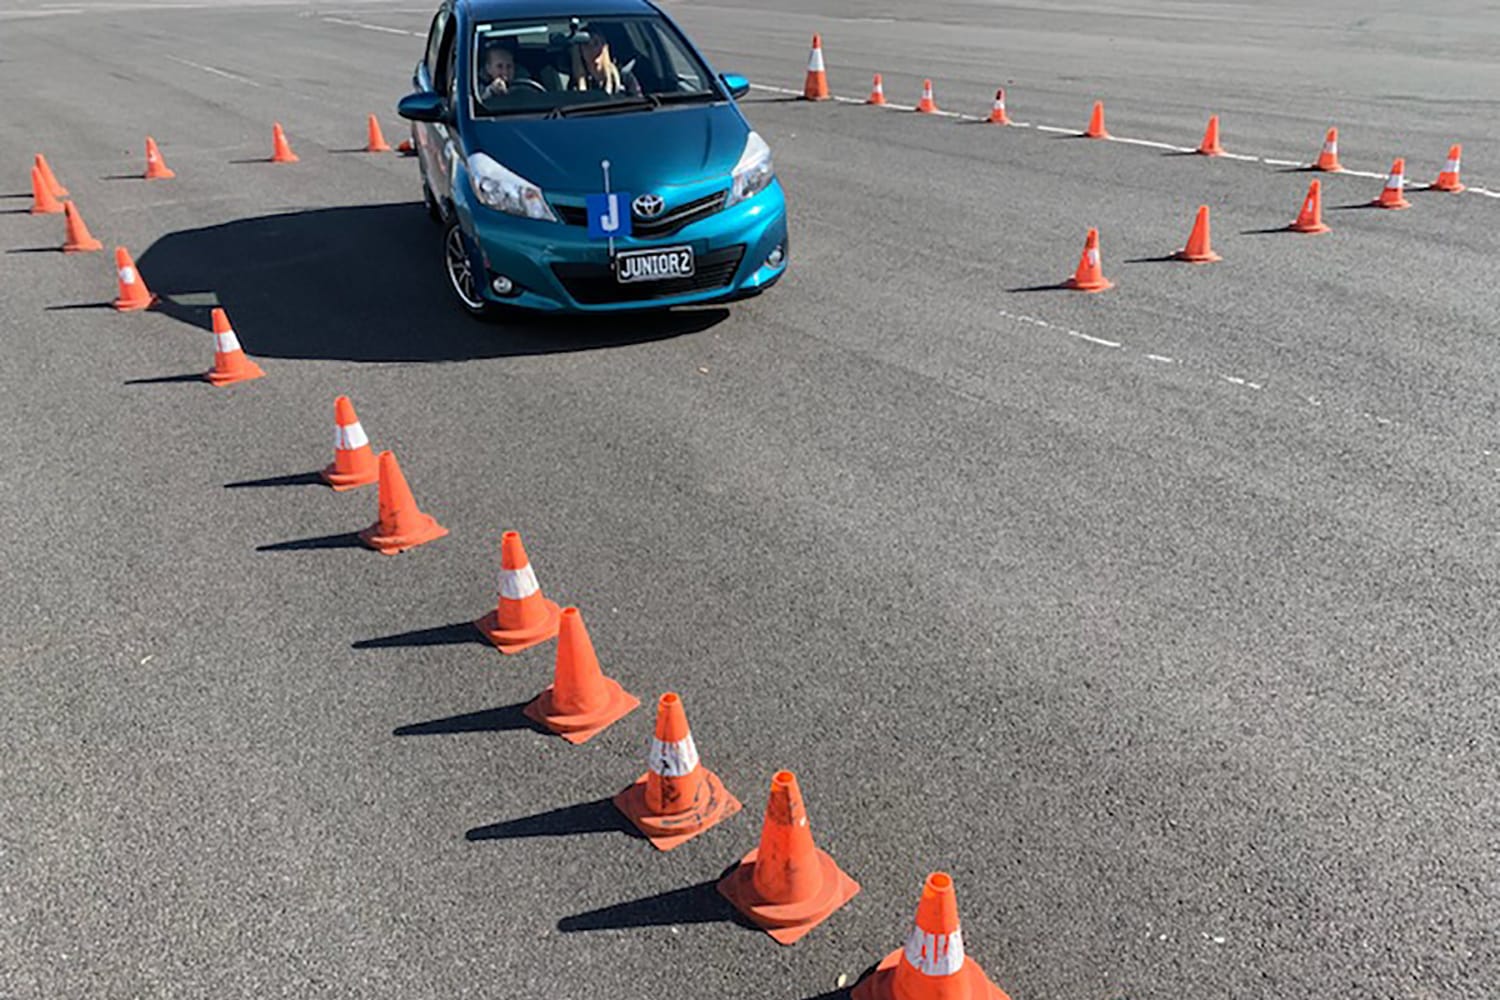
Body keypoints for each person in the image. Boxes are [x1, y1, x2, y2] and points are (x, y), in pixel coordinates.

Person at [568, 31, 640, 95]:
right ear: (580, 51)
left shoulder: (624, 78)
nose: (592, 50)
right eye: (586, 45)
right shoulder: (575, 84)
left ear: (604, 47)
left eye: (596, 43)